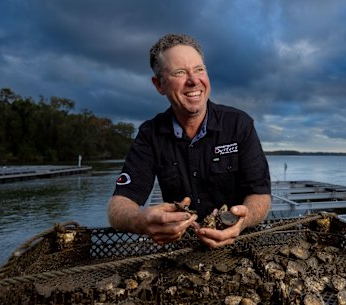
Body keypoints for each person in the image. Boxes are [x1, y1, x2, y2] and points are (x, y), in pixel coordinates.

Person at [107, 33, 271, 248]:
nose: (194, 81)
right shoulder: (150, 134)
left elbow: (260, 195)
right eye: (180, 72)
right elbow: (118, 205)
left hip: (240, 243)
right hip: (182, 248)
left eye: (199, 69)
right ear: (159, 85)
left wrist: (242, 221)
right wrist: (140, 221)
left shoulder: (239, 123)